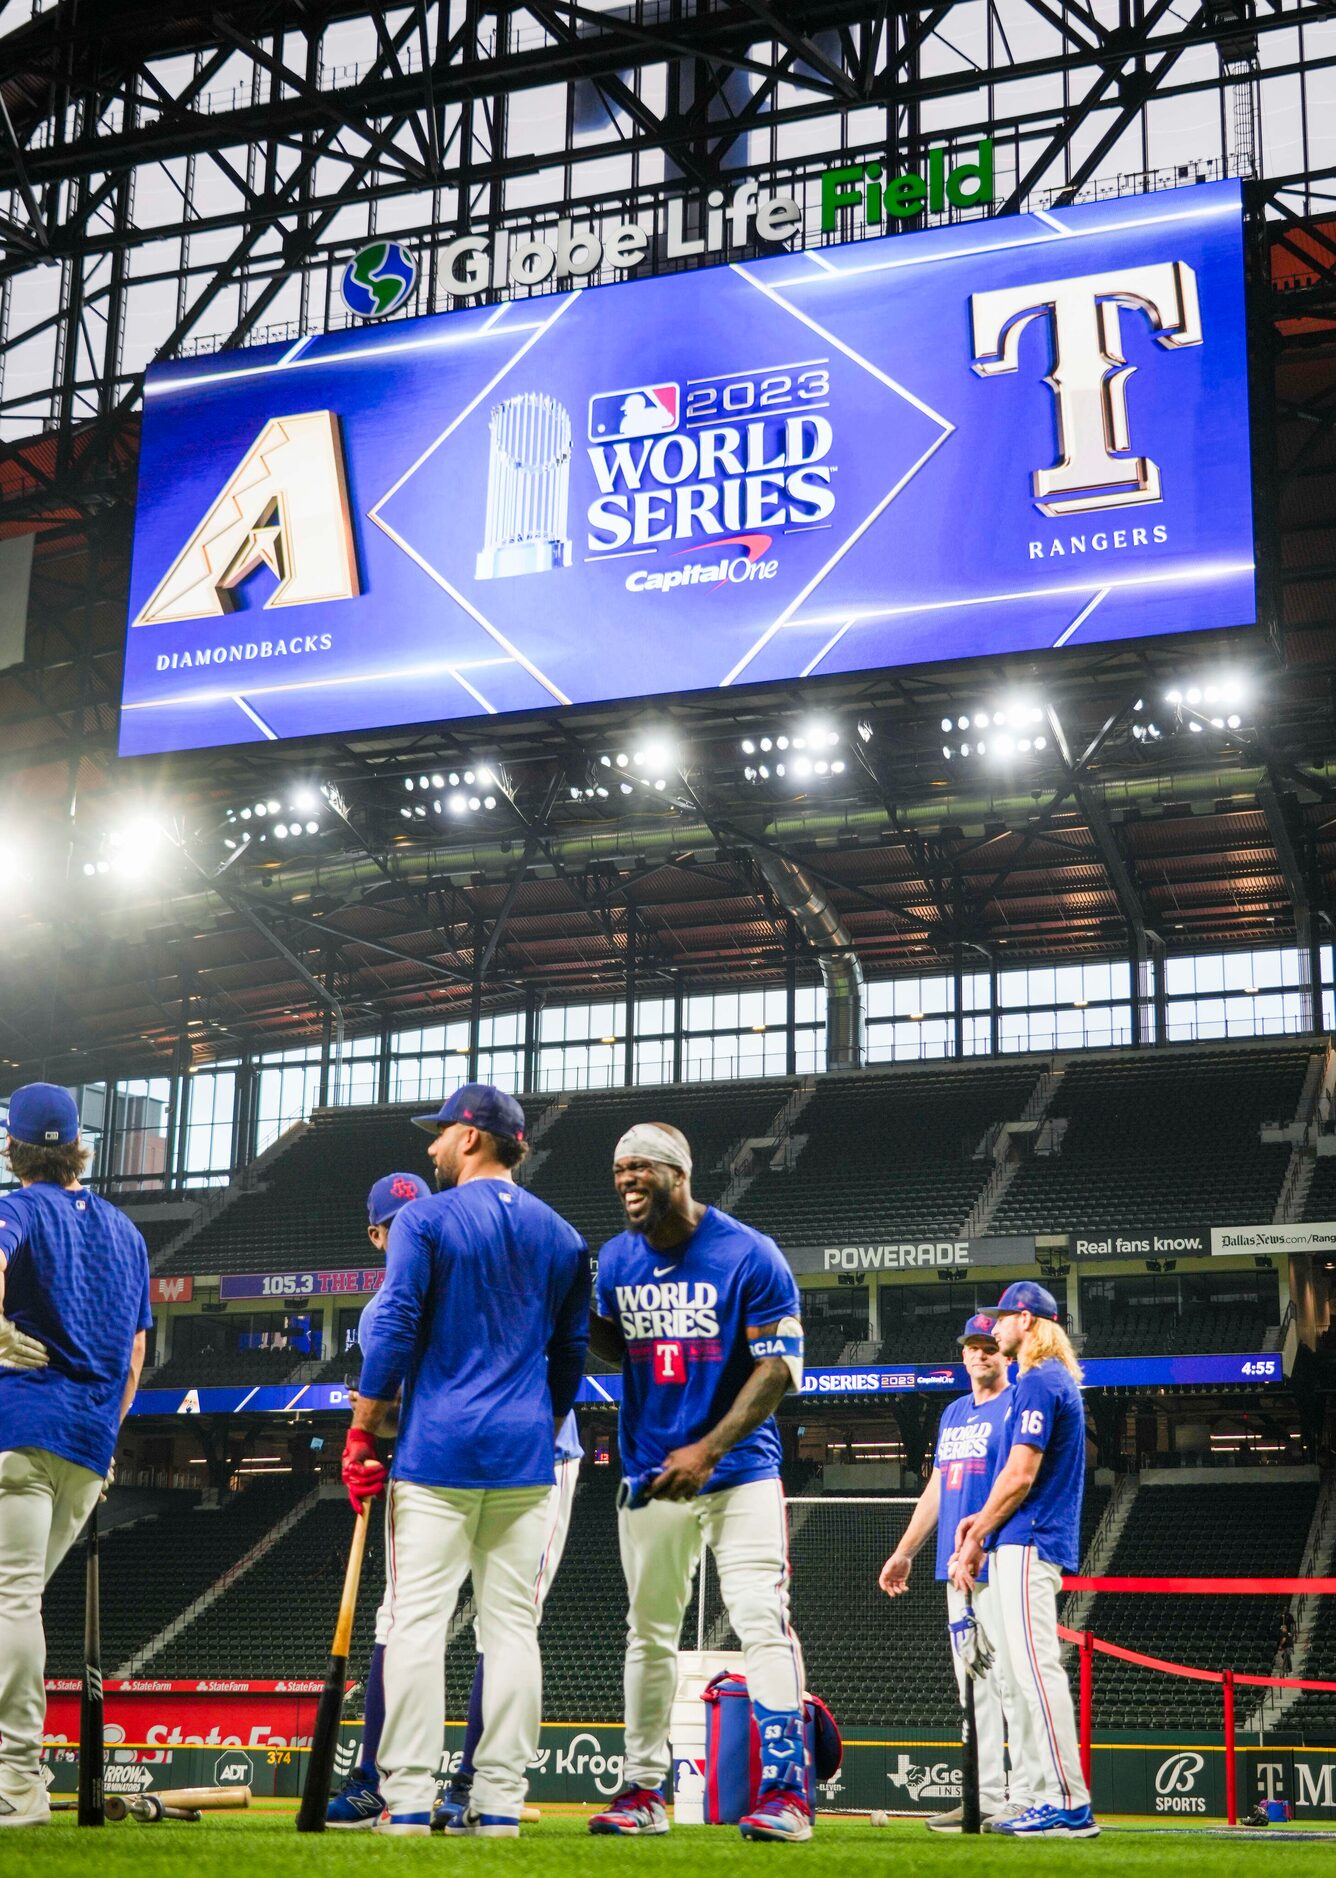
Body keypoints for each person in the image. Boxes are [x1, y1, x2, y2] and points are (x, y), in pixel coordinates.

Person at [343, 1086, 589, 1837]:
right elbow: (571, 1354)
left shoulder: (424, 1218)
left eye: (442, 1133)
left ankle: (409, 1800)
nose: (432, 1147)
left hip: (438, 1450)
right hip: (524, 1457)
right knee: (512, 1629)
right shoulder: (565, 1235)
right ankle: (500, 1806)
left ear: (474, 1137)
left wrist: (361, 1431)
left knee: (416, 1624)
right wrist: (532, 1423)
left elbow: (396, 1324)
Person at [587, 1122, 810, 1844]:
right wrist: (562, 1310)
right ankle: (643, 1789)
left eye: (640, 1167)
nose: (626, 1179)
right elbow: (614, 1345)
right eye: (619, 1169)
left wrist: (708, 1450)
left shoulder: (750, 1253)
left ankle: (787, 1794)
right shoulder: (617, 1258)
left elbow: (777, 1370)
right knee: (647, 1634)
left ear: (678, 1175)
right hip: (650, 1475)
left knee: (759, 1618)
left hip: (739, 1470)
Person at [0, 1084, 152, 1828]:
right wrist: (106, 1427)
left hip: (20, 1423)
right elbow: (136, 1352)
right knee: (15, 1600)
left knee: (10, 1599)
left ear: (12, 1148)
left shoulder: (16, 1207)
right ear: (78, 1148)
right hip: (90, 1443)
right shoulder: (127, 1231)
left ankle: (14, 1782)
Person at [950, 1281, 1098, 1840]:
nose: (994, 1328)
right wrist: (985, 1528)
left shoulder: (1039, 1380)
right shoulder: (1043, 1381)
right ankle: (1041, 1796)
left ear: (1028, 1322)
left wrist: (978, 1527)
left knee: (1036, 1673)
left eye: (1002, 1319)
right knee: (1018, 1673)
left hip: (1030, 1540)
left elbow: (1019, 1475)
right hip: (1021, 1539)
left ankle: (1068, 1801)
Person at [878, 1311, 1026, 1831]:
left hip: (999, 1557)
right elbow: (939, 1487)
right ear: (962, 1353)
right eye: (973, 1346)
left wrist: (982, 1539)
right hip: (954, 1568)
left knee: (1012, 1681)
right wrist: (905, 1551)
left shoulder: (1017, 1404)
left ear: (1005, 1353)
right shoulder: (954, 1413)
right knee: (974, 1685)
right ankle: (983, 1797)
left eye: (990, 1346)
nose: (981, 1354)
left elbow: (1020, 1479)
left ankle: (1025, 1797)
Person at [326, 1171, 431, 1828]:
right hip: (429, 1463)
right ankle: (373, 1777)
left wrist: (365, 1433)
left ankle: (474, 1784)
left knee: (502, 1627)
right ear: (377, 1235)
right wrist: (365, 1439)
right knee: (397, 1618)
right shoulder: (377, 1312)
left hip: (519, 1458)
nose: (415, 1237)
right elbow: (391, 1407)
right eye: (400, 1228)